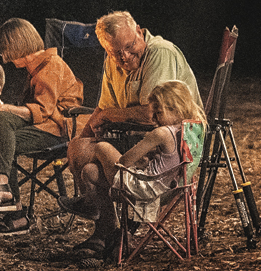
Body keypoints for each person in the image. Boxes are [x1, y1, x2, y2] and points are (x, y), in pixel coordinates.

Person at [55, 79, 205, 265]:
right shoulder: (192, 129)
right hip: (173, 188)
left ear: (175, 109)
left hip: (145, 189)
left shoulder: (162, 133)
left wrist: (132, 157)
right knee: (90, 171)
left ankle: (90, 205)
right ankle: (110, 232)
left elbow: (125, 161)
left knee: (102, 147)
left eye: (158, 113)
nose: (154, 119)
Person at [65, 11, 198, 193]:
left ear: (139, 32)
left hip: (167, 147)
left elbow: (151, 115)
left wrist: (108, 116)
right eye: (116, 52)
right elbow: (103, 107)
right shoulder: (112, 63)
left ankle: (104, 207)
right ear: (107, 50)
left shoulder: (159, 52)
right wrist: (84, 138)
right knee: (80, 153)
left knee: (97, 156)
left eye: (130, 46)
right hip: (133, 140)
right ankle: (100, 214)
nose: (125, 56)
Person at [0, 17, 84, 235]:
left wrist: (3, 108)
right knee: (1, 126)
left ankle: (13, 210)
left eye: (5, 50)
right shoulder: (35, 68)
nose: (4, 57)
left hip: (59, 130)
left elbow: (42, 110)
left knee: (1, 136)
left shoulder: (51, 66)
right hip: (43, 125)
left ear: (17, 44)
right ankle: (5, 193)